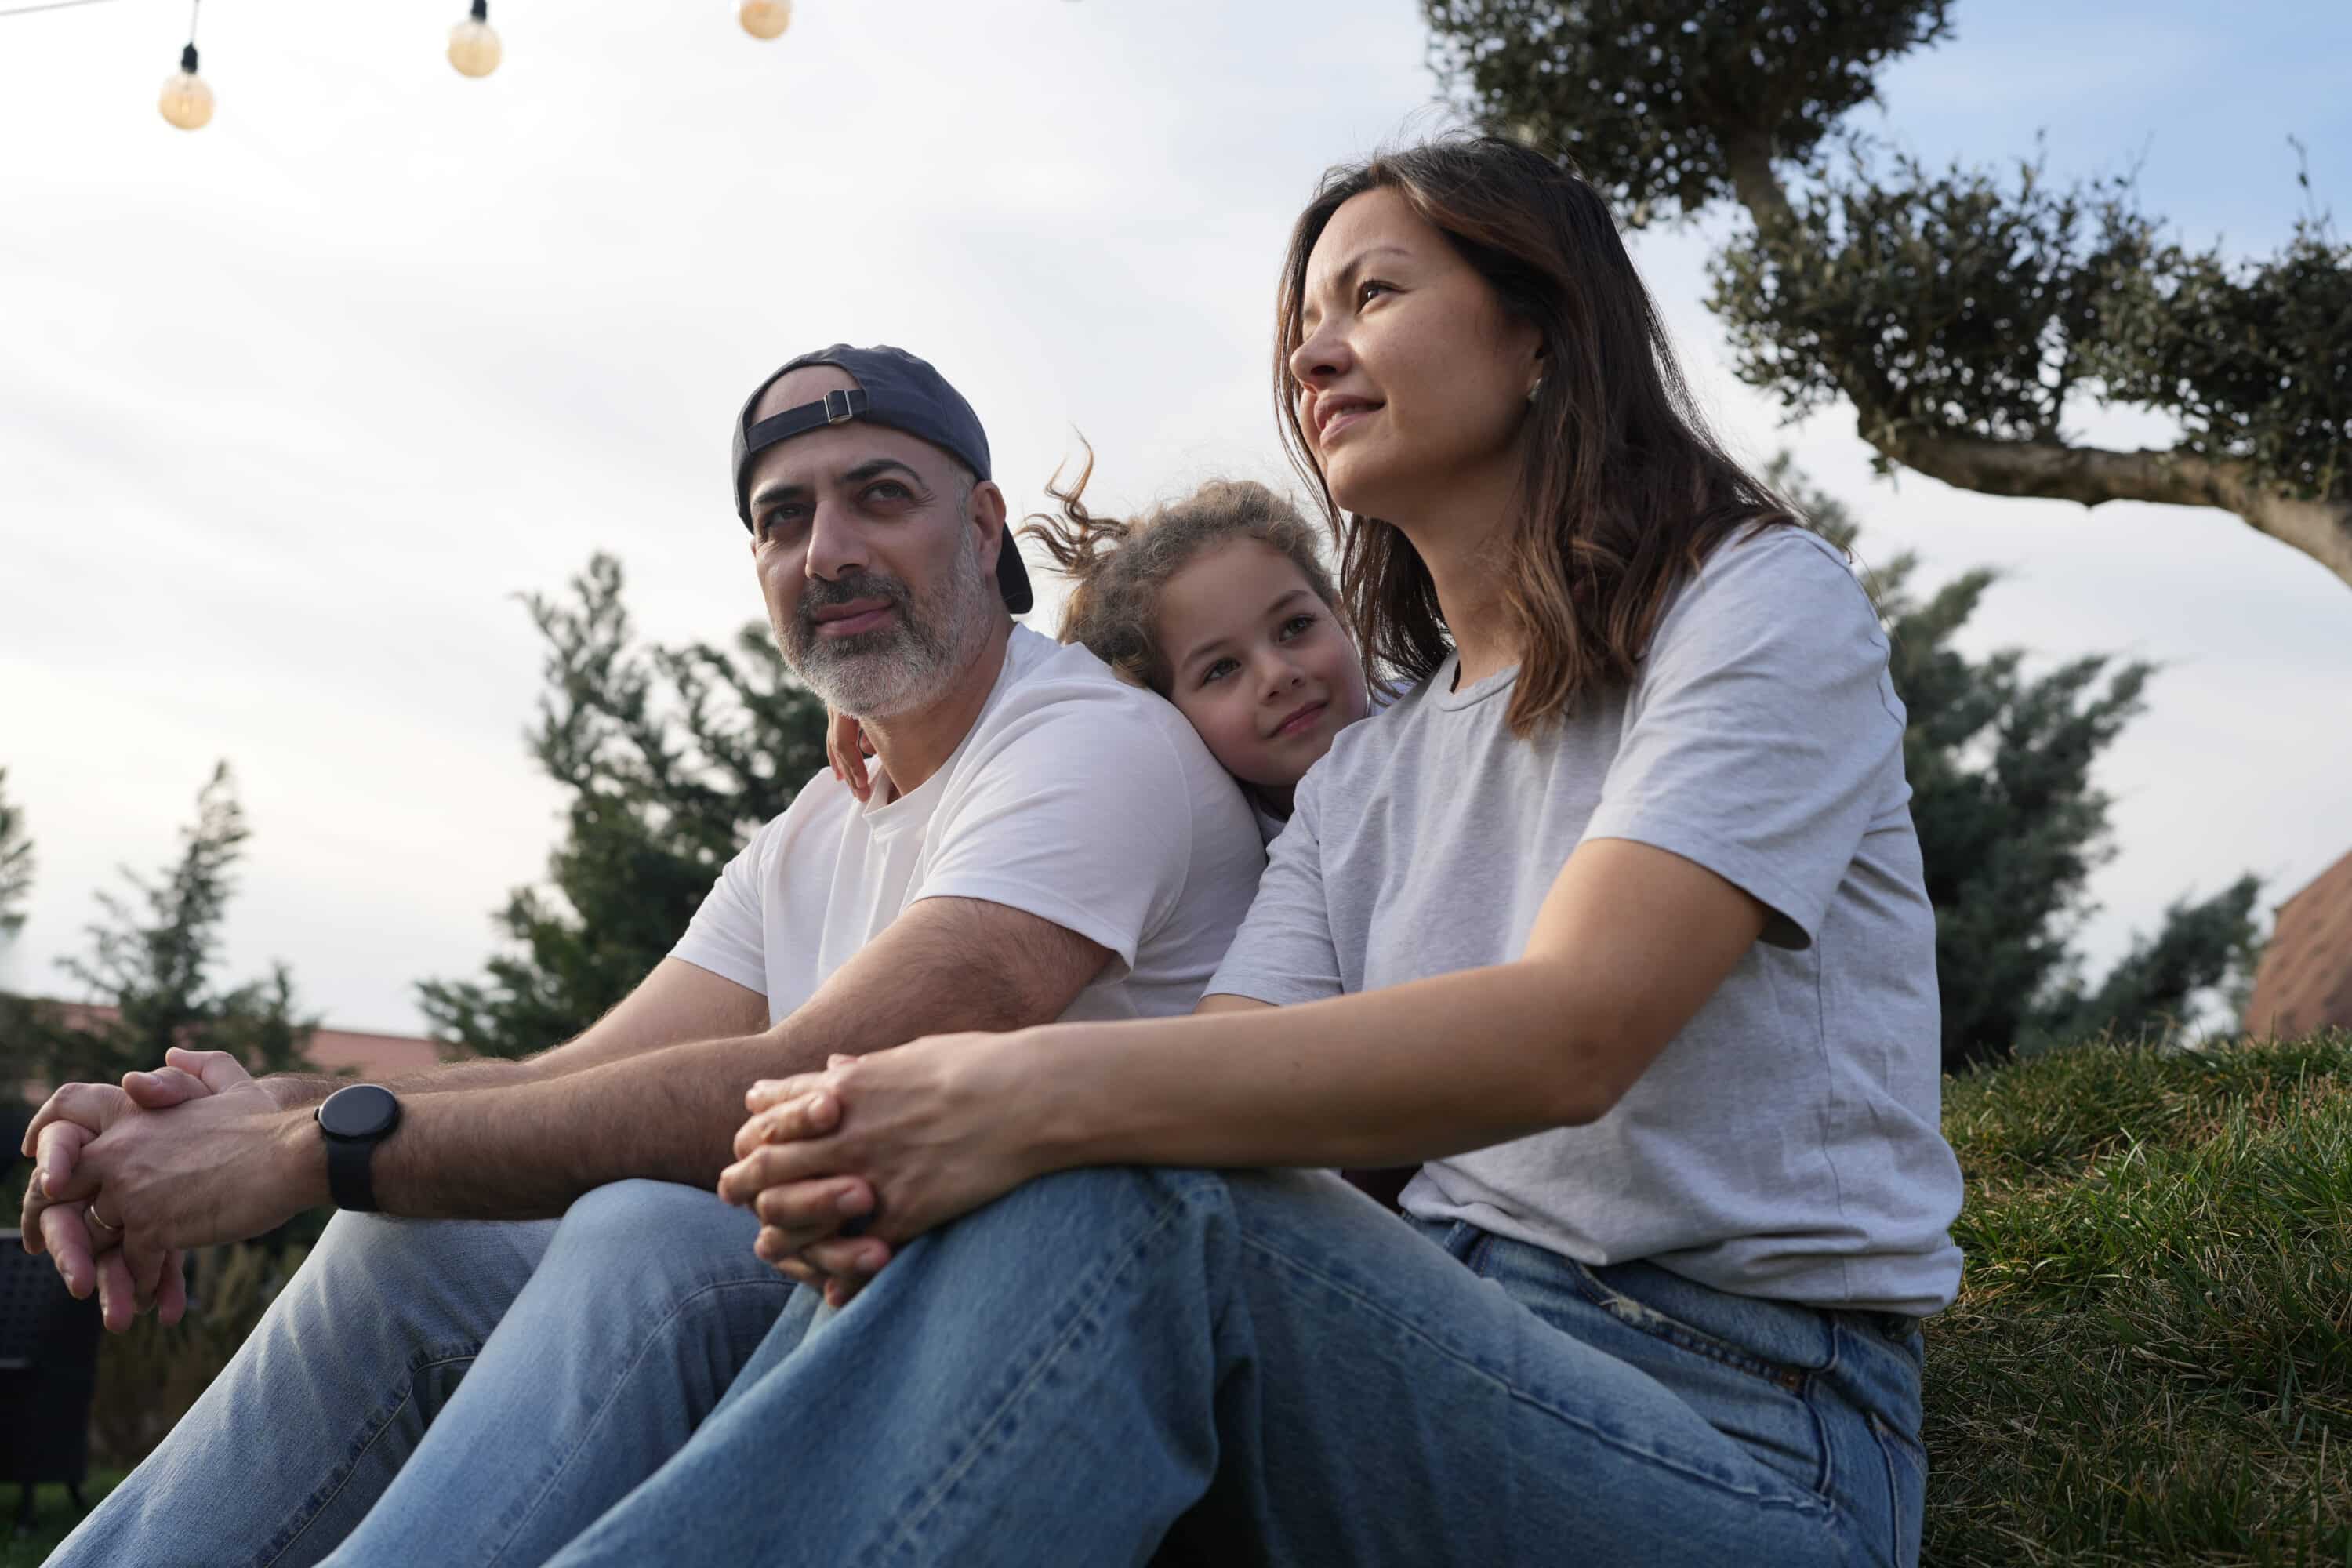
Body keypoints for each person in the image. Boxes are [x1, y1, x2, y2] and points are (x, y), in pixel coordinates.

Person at [538, 136, 1965, 1568]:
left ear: (1541, 331)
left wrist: (1012, 1084)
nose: (1316, 357)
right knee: (1070, 1165)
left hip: (1745, 1427)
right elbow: (1221, 1072)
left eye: (1372, 296)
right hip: (1437, 1345)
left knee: (1110, 1168)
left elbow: (1577, 1031)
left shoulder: (1759, 604)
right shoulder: (1369, 772)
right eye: (1303, 329)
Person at [23, 343, 1265, 1568]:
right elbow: (569, 1076)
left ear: (985, 529)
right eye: (784, 519)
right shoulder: (814, 830)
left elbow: (811, 1079)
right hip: (835, 1301)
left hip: (1031, 1336)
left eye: (879, 496)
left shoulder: (1093, 748)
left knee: (648, 1239)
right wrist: (267, 1109)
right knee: (411, 1238)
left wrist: (305, 1153)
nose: (828, 550)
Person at [829, 448, 1374, 844]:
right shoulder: (1199, 831)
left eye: (1297, 626)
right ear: (1162, 711)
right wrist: (881, 703)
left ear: (1340, 613)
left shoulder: (1438, 715)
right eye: (1222, 669)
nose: (1278, 674)